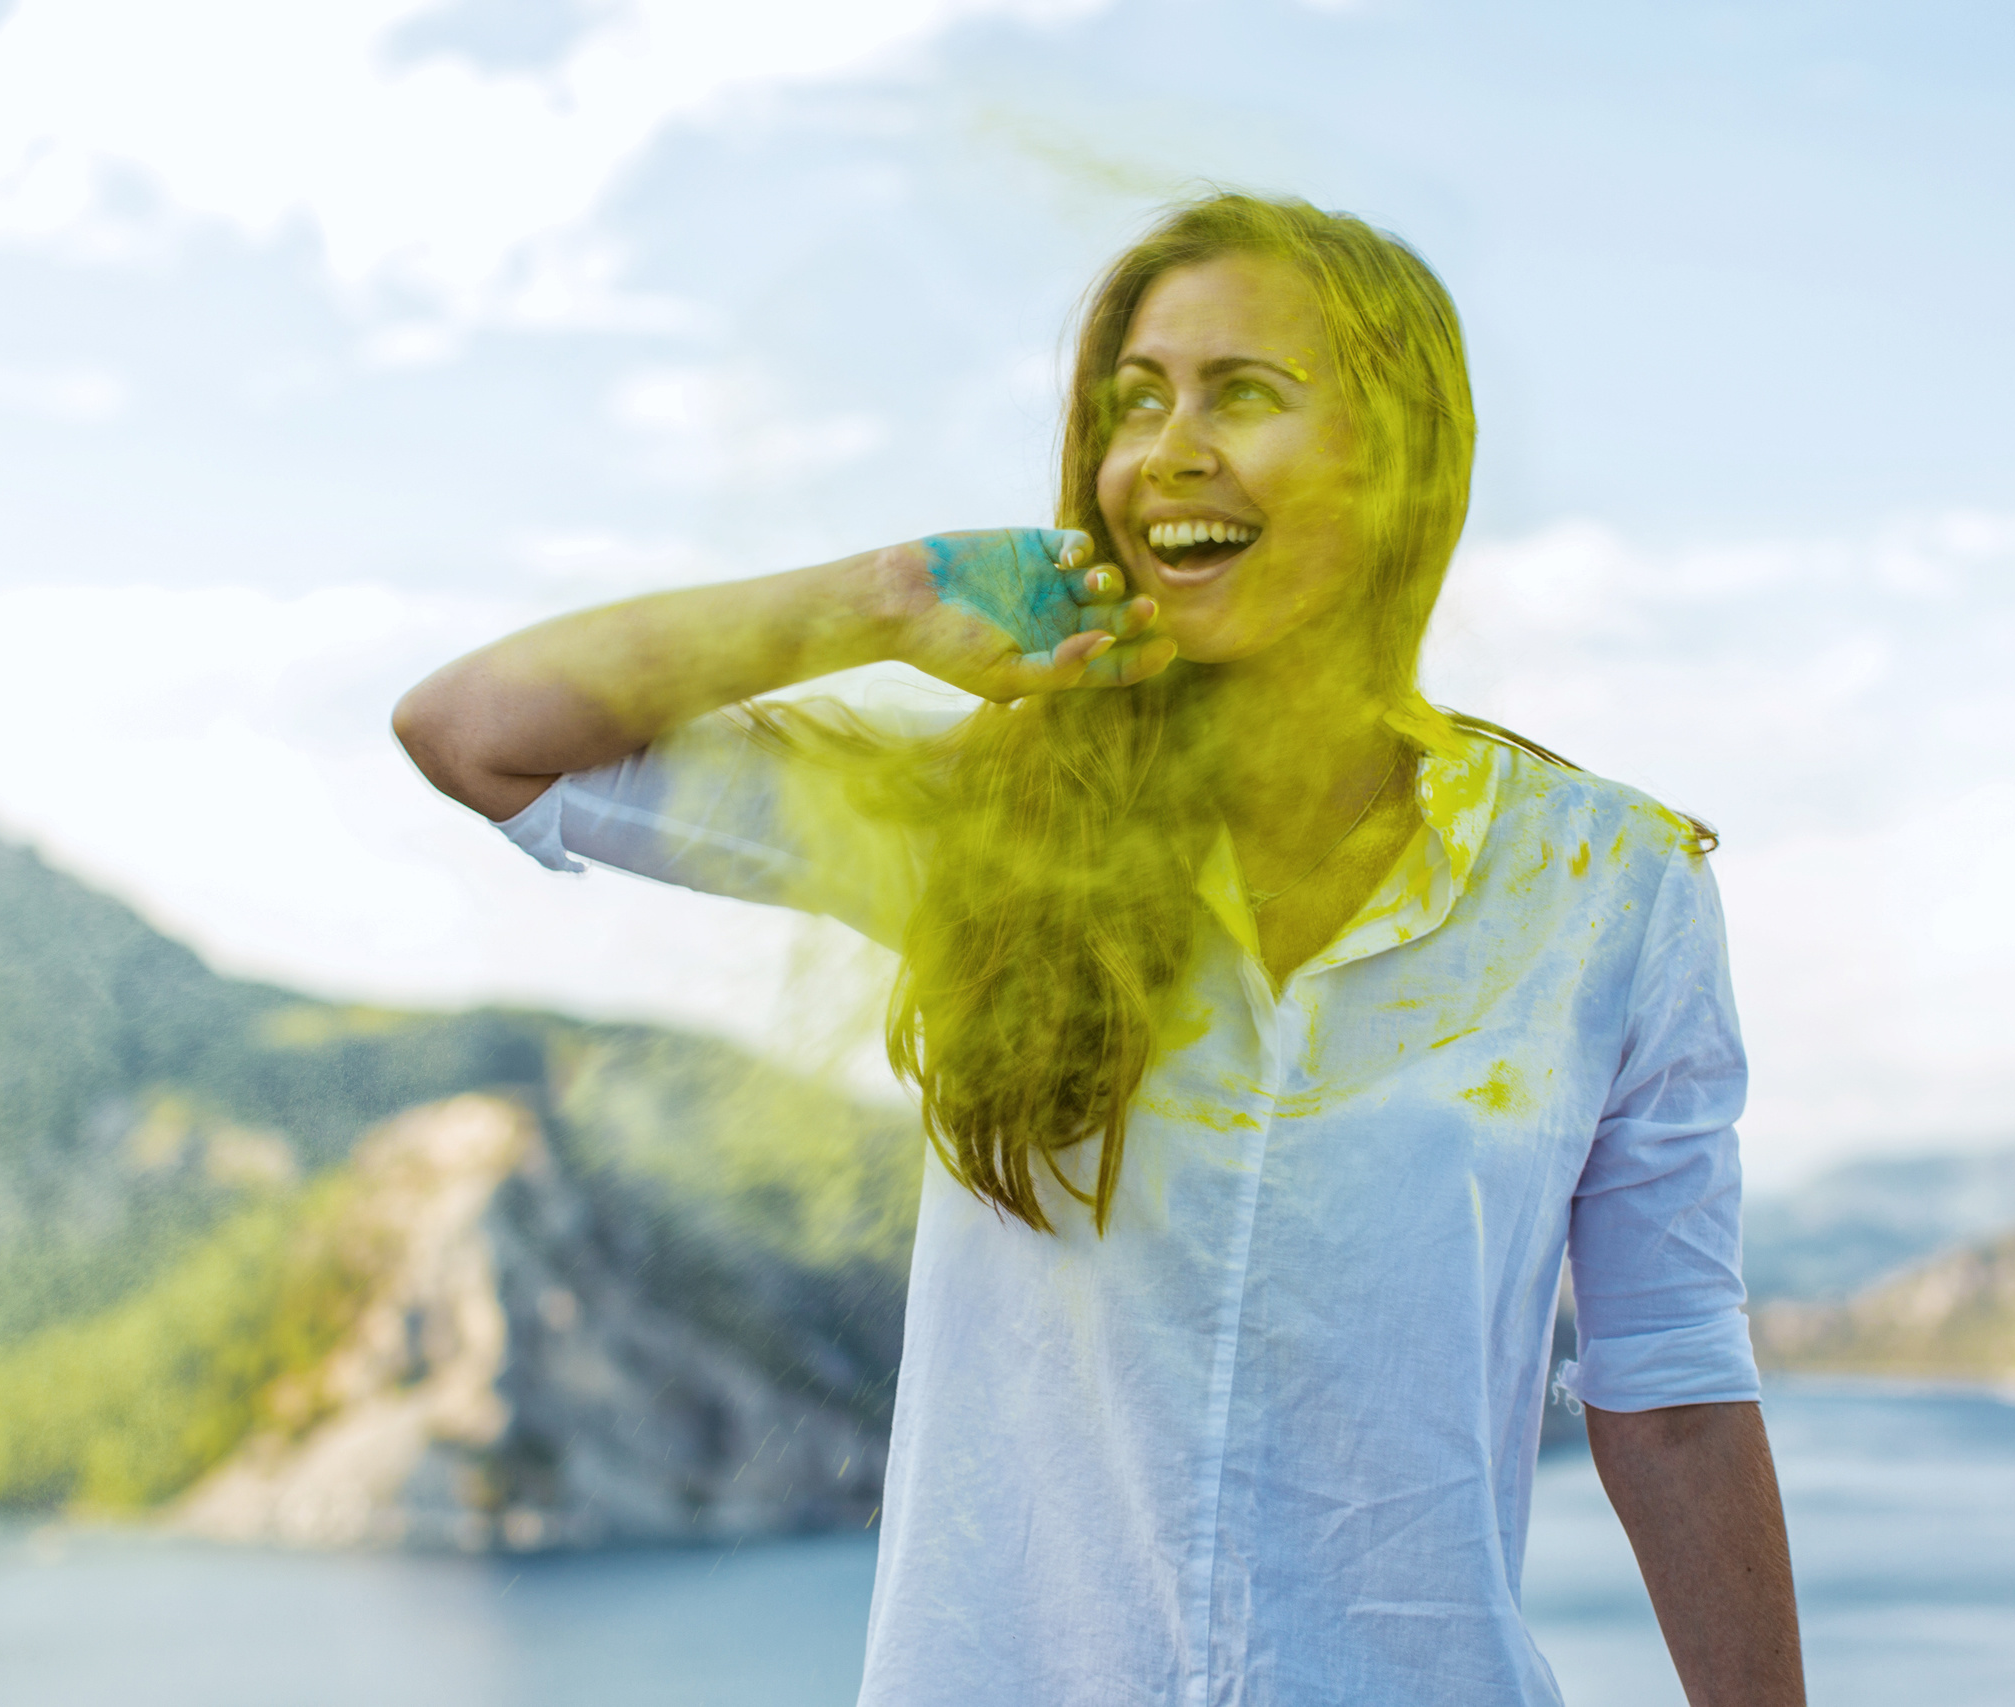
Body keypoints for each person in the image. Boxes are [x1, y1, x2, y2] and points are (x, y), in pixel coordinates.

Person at [394, 192, 1804, 1706]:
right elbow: (481, 734)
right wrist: (879, 601)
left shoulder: (1607, 889)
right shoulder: (976, 818)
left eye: (1245, 394)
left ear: (1395, 457)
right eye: (1138, 401)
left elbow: (1672, 1395)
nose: (1168, 451)